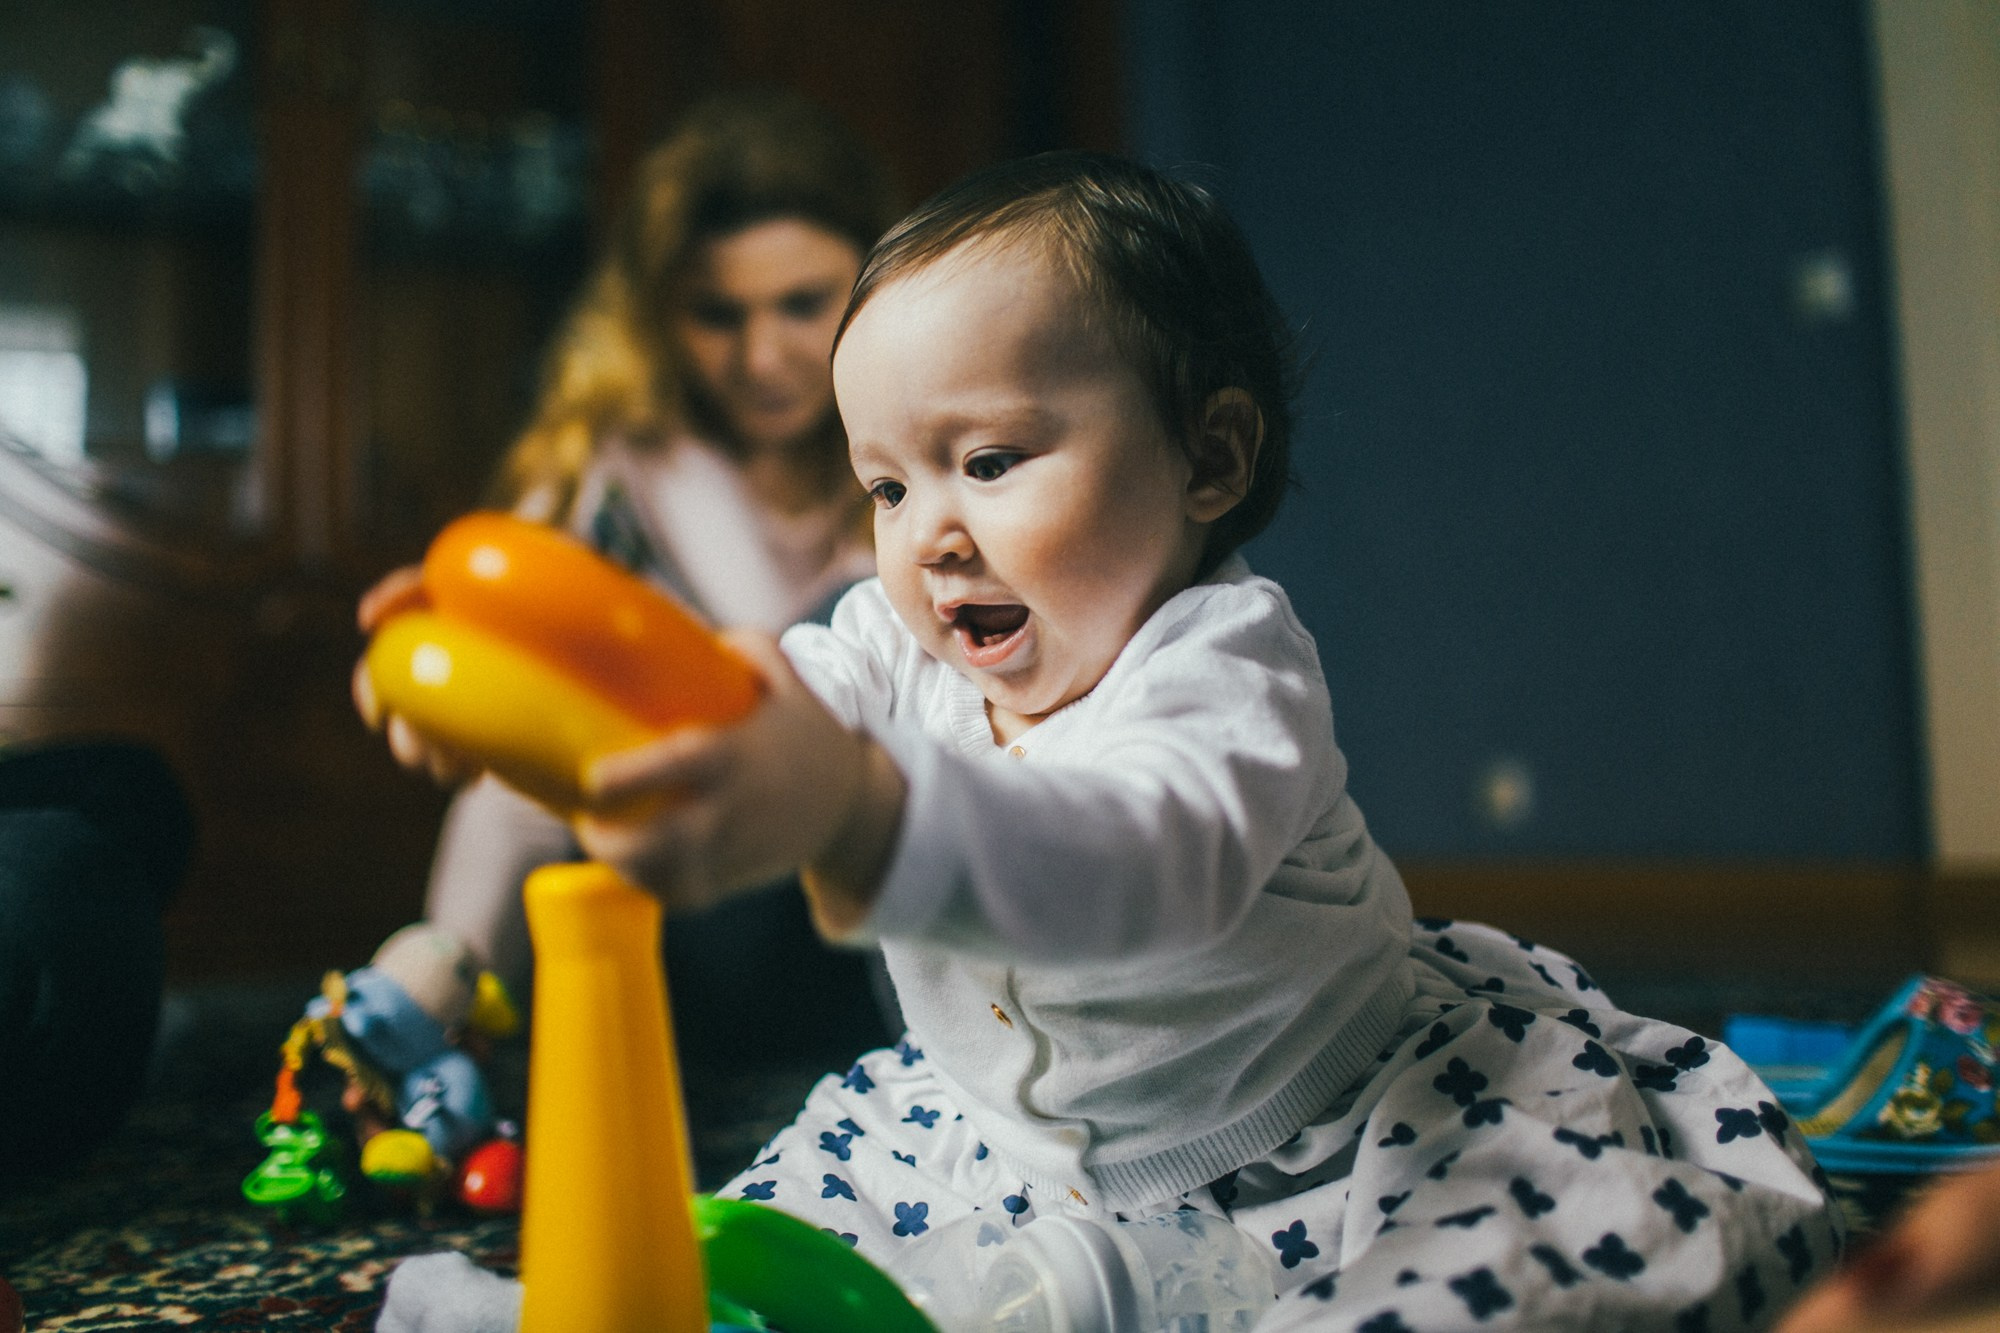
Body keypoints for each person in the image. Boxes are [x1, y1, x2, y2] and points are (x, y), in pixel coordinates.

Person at [374, 152, 1843, 1328]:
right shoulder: (895, 634)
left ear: (1210, 456)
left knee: (1499, 1276)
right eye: (883, 486)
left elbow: (1141, 864)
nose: (929, 537)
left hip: (1325, 1138)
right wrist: (552, 694)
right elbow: (770, 693)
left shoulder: (1228, 665)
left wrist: (866, 812)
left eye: (990, 462)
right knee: (760, 1251)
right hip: (991, 1144)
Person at [360, 87, 901, 1066]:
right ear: (658, 316)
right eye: (714, 314)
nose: (761, 356)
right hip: (669, 926)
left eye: (802, 305)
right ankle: (428, 1009)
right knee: (536, 690)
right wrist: (441, 655)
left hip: (873, 926)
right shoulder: (610, 474)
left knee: (842, 626)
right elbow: (506, 755)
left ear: (874, 290)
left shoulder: (929, 467)